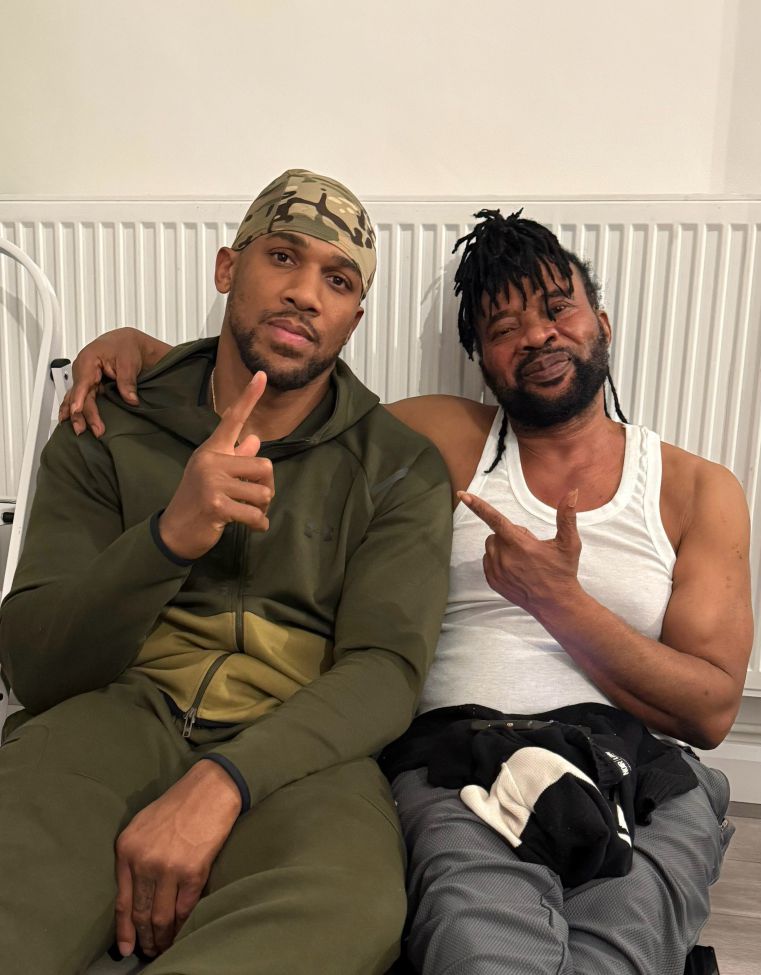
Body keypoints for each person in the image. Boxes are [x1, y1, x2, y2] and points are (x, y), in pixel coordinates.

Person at [56, 208, 753, 975]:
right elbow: (291, 396)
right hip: (465, 759)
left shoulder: (695, 489)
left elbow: (711, 709)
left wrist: (562, 603)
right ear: (481, 360)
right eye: (504, 328)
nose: (537, 336)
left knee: (625, 947)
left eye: (559, 308)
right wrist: (147, 354)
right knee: (483, 955)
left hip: (638, 773)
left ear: (602, 323)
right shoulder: (445, 438)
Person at [0, 168, 453, 975]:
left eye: (338, 280)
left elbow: (386, 670)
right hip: (114, 710)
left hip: (298, 746)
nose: (305, 293)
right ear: (227, 268)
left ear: (353, 318)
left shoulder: (398, 468)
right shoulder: (109, 419)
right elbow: (34, 664)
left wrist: (225, 780)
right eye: (283, 256)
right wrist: (170, 536)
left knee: (352, 905)